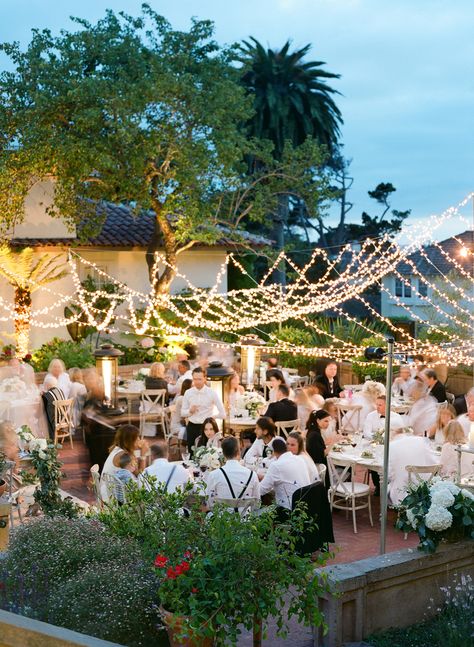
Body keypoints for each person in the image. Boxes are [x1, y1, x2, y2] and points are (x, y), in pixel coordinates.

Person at [206, 436, 260, 508]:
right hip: (245, 518)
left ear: (223, 453)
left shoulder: (213, 475)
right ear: (239, 451)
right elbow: (257, 503)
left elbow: (209, 502)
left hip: (221, 518)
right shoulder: (252, 475)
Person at [388, 431, 438, 506]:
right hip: (426, 488)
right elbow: (433, 463)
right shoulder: (421, 441)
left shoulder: (392, 446)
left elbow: (389, 475)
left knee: (388, 486)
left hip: (403, 494)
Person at [259, 437, 311, 511]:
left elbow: (261, 490)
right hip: (305, 506)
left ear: (274, 452)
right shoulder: (300, 459)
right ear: (286, 448)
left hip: (287, 510)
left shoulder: (276, 465)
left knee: (255, 515)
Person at [181, 367, 226, 452]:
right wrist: (190, 411)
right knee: (192, 454)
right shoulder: (188, 392)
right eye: (195, 379)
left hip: (207, 428)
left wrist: (211, 417)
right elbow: (183, 413)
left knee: (208, 453)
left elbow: (223, 414)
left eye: (199, 379)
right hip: (192, 427)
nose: (197, 382)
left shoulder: (212, 393)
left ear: (205, 378)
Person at [100, 425, 147, 501]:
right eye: (137, 437)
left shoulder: (117, 450)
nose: (139, 439)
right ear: (130, 440)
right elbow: (141, 476)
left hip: (107, 494)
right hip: (116, 499)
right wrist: (143, 454)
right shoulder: (125, 456)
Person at [41, 375, 66, 440]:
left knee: (41, 416)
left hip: (55, 422)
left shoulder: (47, 395)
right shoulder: (60, 390)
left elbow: (42, 408)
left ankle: (47, 437)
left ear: (47, 385)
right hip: (64, 419)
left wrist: (42, 396)